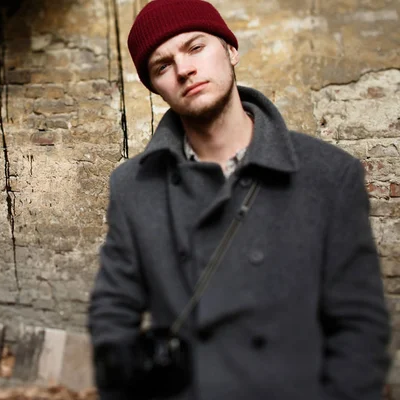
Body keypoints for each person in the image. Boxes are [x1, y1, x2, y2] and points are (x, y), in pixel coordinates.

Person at [87, 0, 391, 399]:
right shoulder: (134, 186)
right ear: (154, 87)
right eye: (162, 66)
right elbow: (113, 311)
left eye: (195, 48)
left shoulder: (328, 176)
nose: (183, 69)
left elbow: (359, 327)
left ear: (230, 50)